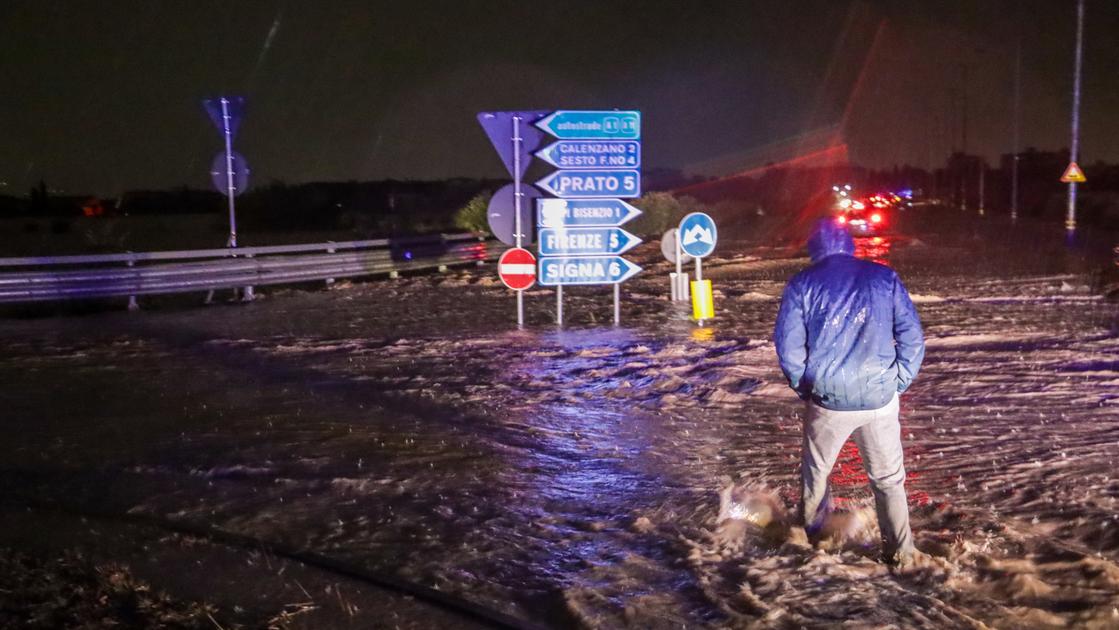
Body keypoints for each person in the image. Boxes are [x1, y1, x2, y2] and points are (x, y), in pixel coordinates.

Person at [773, 217, 925, 565]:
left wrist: (807, 388)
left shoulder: (802, 284)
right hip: (880, 397)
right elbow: (912, 338)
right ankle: (901, 552)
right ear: (849, 244)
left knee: (817, 473)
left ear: (814, 248)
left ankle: (815, 544)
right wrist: (897, 381)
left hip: (829, 399)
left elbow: (789, 348)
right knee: (889, 479)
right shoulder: (883, 277)